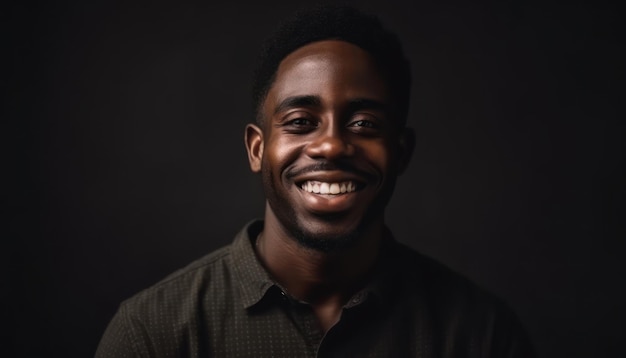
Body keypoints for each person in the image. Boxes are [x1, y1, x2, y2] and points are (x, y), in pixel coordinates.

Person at [96, 5, 535, 357]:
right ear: (256, 148)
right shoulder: (153, 335)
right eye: (301, 121)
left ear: (401, 153)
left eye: (363, 123)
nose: (331, 146)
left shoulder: (482, 336)